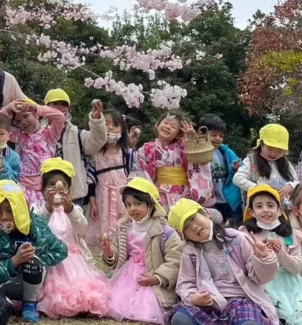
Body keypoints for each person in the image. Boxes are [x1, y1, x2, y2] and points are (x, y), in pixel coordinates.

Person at [168, 198, 286, 325]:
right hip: (211, 303)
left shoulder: (236, 238)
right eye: (186, 227)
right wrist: (194, 297)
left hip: (242, 300)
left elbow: (260, 278)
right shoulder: (190, 251)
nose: (194, 227)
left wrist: (263, 258)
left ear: (206, 213)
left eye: (193, 218)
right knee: (180, 321)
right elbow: (185, 283)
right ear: (183, 235)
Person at [0, 179, 68, 323]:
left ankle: (30, 304)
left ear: (20, 208)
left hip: (31, 284)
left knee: (33, 262)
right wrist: (13, 262)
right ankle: (5, 303)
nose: (3, 216)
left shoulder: (37, 225)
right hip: (1, 285)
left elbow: (61, 250)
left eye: (9, 210)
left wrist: (36, 260)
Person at [238, 185, 302, 325]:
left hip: (290, 283)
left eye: (270, 205)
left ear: (280, 210)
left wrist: (281, 254)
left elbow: (297, 268)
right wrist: (261, 256)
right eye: (259, 206)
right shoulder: (245, 234)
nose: (265, 210)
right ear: (251, 212)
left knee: (300, 311)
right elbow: (243, 263)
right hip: (261, 282)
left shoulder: (290, 235)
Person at [100, 177, 182, 325]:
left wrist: (157, 278)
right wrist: (109, 253)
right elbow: (119, 255)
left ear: (151, 205)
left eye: (138, 204)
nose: (132, 209)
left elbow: (175, 260)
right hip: (127, 274)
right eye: (129, 204)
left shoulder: (165, 231)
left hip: (152, 274)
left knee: (146, 302)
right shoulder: (125, 228)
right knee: (114, 300)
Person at [33, 158, 109, 319]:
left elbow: (82, 228)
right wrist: (48, 207)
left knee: (82, 288)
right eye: (51, 184)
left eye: (62, 185)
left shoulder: (74, 209)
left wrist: (70, 210)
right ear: (44, 188)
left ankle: (83, 306)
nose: (56, 189)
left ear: (69, 190)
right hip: (51, 260)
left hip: (73, 258)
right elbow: (36, 229)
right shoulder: (37, 208)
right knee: (55, 291)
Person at [137, 111, 213, 210]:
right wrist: (149, 190)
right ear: (157, 124)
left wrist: (191, 139)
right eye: (165, 123)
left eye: (173, 126)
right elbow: (142, 169)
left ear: (178, 134)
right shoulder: (146, 148)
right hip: (158, 192)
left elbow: (198, 159)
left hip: (182, 192)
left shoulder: (183, 147)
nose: (168, 127)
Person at [85, 104, 136, 246]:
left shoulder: (128, 153)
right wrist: (93, 202)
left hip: (123, 195)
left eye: (116, 124)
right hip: (102, 196)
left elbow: (134, 174)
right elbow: (91, 180)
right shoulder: (94, 155)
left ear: (122, 129)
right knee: (103, 225)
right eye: (106, 124)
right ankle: (106, 251)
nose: (111, 128)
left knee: (124, 224)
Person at [44, 90, 106, 206]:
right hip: (46, 193)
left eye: (64, 104)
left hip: (73, 194)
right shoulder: (38, 133)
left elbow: (97, 141)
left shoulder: (76, 133)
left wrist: (96, 120)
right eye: (55, 103)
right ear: (46, 107)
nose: (60, 107)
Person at [3, 99, 67, 210]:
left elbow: (60, 116)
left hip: (46, 186)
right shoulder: (19, 136)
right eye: (18, 121)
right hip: (25, 186)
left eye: (26, 116)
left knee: (45, 220)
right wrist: (8, 108)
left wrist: (37, 108)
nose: (23, 122)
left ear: (36, 115)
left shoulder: (49, 133)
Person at [232, 123, 298, 205]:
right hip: (260, 207)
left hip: (282, 206)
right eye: (270, 149)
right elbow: (237, 178)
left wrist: (290, 186)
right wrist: (259, 188)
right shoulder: (252, 161)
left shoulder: (284, 162)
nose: (273, 154)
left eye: (279, 151)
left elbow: (297, 181)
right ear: (261, 144)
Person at [201, 114, 243, 226]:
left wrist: (235, 168)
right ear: (202, 133)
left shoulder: (225, 152)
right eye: (213, 135)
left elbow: (240, 166)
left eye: (221, 136)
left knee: (233, 229)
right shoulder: (197, 154)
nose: (218, 138)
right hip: (208, 200)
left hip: (227, 200)